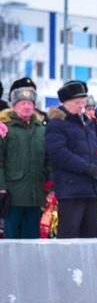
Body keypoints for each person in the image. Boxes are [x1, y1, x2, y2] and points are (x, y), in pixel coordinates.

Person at [45, 80, 97, 238]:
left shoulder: (88, 124)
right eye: (77, 103)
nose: (81, 106)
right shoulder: (57, 124)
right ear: (65, 103)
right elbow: (59, 153)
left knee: (90, 236)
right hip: (71, 190)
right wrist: (86, 167)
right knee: (69, 235)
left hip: (91, 189)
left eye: (83, 102)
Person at [0, 78, 52, 238]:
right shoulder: (5, 129)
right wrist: (1, 187)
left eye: (30, 103)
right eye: (22, 103)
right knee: (12, 237)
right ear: (14, 106)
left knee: (33, 238)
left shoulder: (41, 130)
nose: (27, 107)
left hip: (36, 194)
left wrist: (51, 185)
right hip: (13, 195)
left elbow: (48, 161)